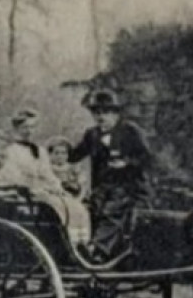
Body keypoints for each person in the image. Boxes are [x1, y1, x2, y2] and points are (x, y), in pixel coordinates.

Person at [66, 89, 154, 264]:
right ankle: (77, 248)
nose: (100, 117)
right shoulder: (92, 134)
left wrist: (127, 163)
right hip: (102, 188)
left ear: (115, 114)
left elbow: (148, 158)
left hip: (130, 188)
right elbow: (74, 155)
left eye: (105, 112)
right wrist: (56, 152)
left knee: (112, 209)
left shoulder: (130, 130)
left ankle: (97, 250)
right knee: (84, 208)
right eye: (96, 112)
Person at [0, 109, 89, 245]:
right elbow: (13, 177)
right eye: (25, 127)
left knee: (73, 205)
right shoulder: (11, 151)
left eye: (32, 127)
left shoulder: (40, 150)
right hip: (27, 193)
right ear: (16, 128)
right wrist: (33, 189)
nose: (29, 131)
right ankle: (61, 242)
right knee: (54, 206)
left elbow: (47, 174)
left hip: (43, 190)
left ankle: (78, 244)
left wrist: (56, 187)